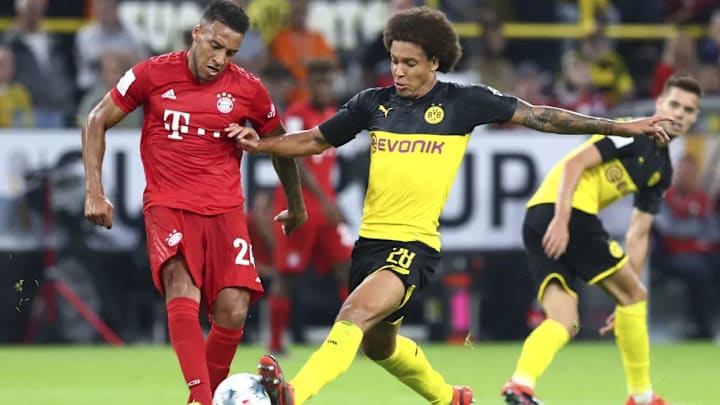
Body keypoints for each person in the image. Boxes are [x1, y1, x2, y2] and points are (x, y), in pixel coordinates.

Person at [227, 7, 671, 405]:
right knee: (379, 347)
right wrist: (260, 144)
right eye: (394, 60)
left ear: (435, 62)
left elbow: (542, 116)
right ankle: (449, 398)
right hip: (369, 244)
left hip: (412, 247)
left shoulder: (462, 102)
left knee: (353, 314)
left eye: (410, 63)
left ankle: (293, 394)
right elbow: (312, 141)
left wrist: (621, 127)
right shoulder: (373, 104)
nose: (398, 71)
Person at [80, 2, 306, 405]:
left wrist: (296, 204)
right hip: (169, 203)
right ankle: (202, 399)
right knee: (181, 285)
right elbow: (96, 120)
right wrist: (94, 191)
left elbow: (282, 143)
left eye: (230, 53)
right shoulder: (151, 73)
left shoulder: (249, 89)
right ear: (197, 34)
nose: (220, 59)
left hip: (225, 209)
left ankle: (200, 400)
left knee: (234, 309)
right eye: (215, 46)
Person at [499, 74, 702, 405]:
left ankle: (520, 384)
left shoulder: (661, 170)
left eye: (688, 109)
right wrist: (562, 219)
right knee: (633, 296)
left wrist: (627, 293)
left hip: (537, 217)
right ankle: (642, 397)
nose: (679, 113)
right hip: (566, 212)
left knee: (564, 320)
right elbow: (575, 164)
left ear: (695, 117)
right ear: (659, 104)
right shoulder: (632, 131)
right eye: (674, 104)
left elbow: (639, 233)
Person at [268, 59, 352, 355]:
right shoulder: (296, 115)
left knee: (348, 269)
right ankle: (276, 341)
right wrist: (326, 200)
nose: (323, 88)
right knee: (287, 275)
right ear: (309, 85)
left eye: (327, 82)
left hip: (326, 211)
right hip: (298, 208)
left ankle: (354, 339)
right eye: (317, 82)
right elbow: (294, 156)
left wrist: (331, 201)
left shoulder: (333, 115)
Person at [653, 154, 720, 339]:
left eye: (690, 174)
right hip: (670, 254)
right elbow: (669, 228)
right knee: (699, 271)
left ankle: (712, 321)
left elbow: (713, 230)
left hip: (701, 253)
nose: (685, 177)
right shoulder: (664, 198)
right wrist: (696, 226)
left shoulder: (702, 199)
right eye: (682, 173)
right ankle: (700, 327)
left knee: (712, 265)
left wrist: (694, 227)